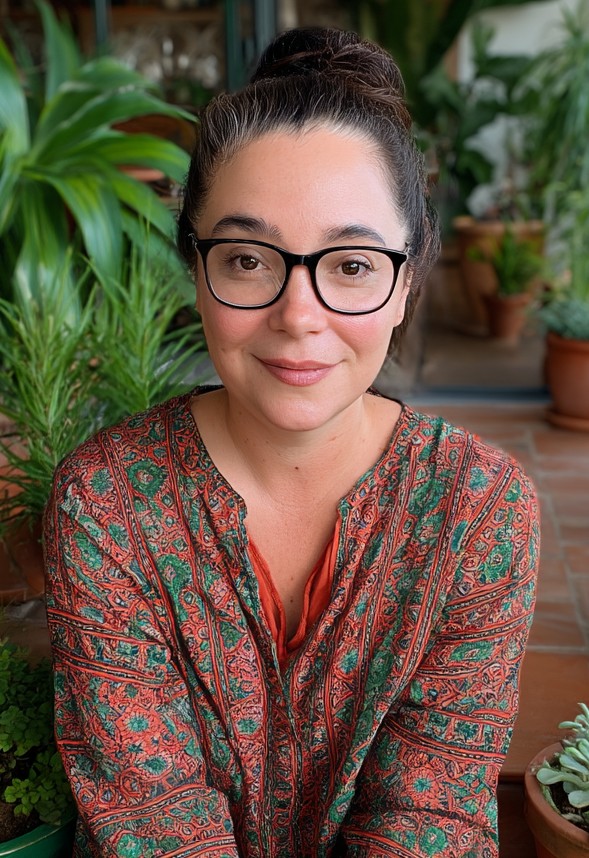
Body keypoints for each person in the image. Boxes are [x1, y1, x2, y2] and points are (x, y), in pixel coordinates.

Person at [44, 26, 539, 858]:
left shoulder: (476, 512)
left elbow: (430, 818)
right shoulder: (107, 502)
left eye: (349, 265)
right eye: (247, 259)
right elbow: (154, 815)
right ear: (195, 269)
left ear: (405, 282)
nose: (298, 317)